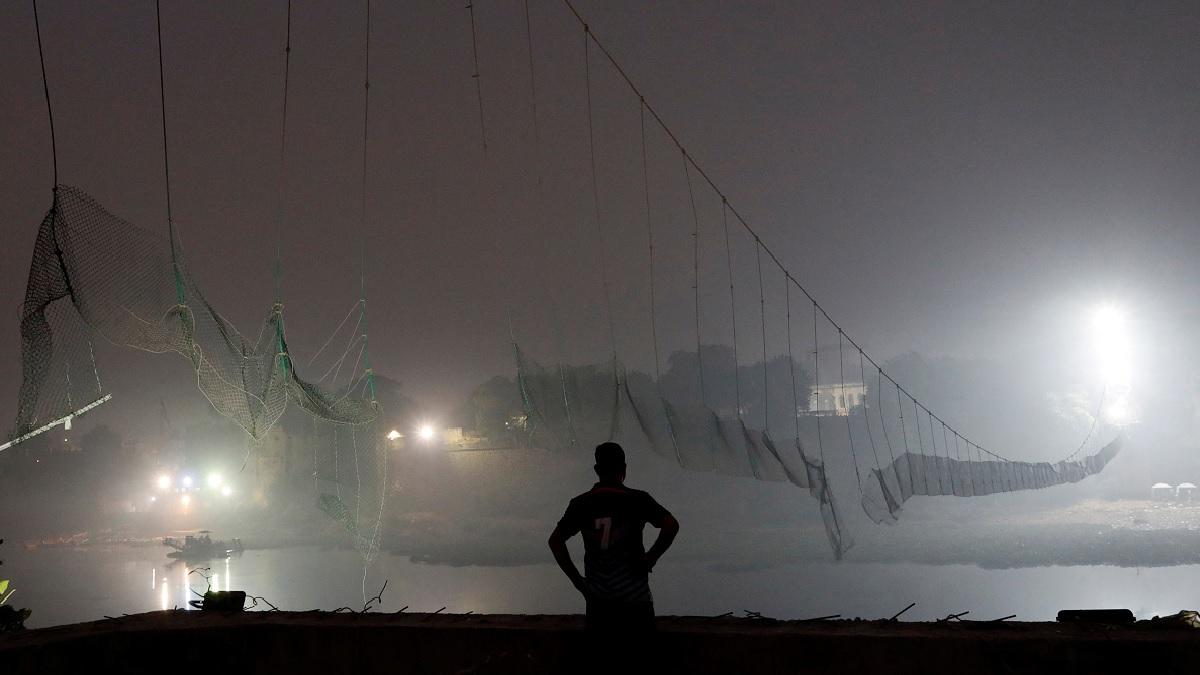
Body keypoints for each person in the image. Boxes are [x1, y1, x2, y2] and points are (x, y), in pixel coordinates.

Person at [548, 442, 679, 631]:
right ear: (624, 468)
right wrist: (651, 558)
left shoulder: (581, 504)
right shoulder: (638, 499)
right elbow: (671, 525)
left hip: (599, 605)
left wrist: (579, 582)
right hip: (636, 602)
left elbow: (555, 541)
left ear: (597, 469)